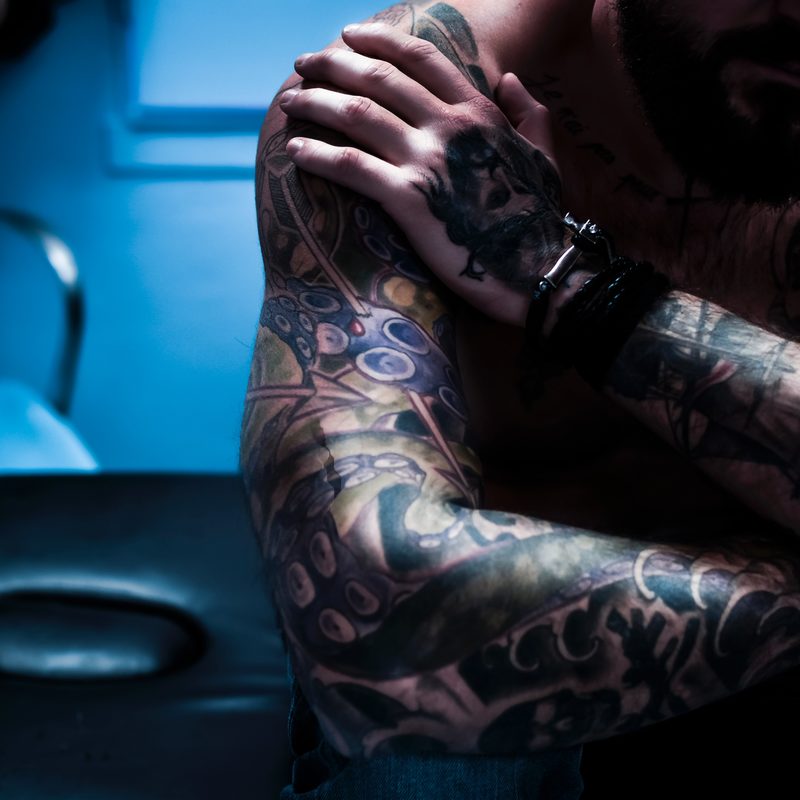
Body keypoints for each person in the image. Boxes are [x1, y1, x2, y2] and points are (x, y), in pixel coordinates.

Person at [241, 1, 800, 796]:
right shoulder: (403, 94)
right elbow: (372, 614)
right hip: (496, 655)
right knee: (445, 768)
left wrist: (574, 286)